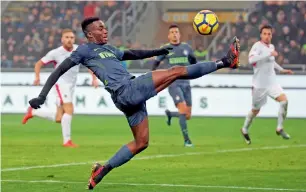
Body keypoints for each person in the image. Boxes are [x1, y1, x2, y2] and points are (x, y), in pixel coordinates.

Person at [28, 17, 240, 190]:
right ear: (90, 34)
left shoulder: (109, 48)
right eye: (101, 28)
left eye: (105, 27)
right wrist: (42, 96)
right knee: (175, 72)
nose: (105, 30)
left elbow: (131, 53)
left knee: (141, 142)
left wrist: (158, 51)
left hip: (127, 97)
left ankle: (101, 171)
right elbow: (58, 70)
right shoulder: (83, 51)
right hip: (126, 91)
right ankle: (225, 61)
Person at [22, 29, 99, 147]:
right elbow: (39, 63)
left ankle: (33, 112)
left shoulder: (78, 50)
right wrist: (37, 77)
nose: (69, 40)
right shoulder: (56, 53)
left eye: (72, 37)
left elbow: (90, 64)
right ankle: (67, 141)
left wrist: (93, 78)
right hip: (61, 84)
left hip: (71, 85)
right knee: (69, 110)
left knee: (59, 118)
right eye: (67, 37)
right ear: (62, 39)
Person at [241, 25, 293, 145]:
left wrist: (281, 70)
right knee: (255, 111)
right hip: (259, 85)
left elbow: (272, 62)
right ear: (261, 35)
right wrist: (269, 54)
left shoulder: (271, 47)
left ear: (271, 35)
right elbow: (251, 60)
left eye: (269, 34)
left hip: (272, 83)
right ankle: (244, 129)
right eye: (265, 34)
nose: (267, 36)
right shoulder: (257, 46)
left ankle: (279, 128)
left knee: (284, 101)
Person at [152, 24, 197, 147]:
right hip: (173, 83)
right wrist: (153, 77)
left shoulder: (186, 48)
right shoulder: (165, 49)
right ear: (168, 35)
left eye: (176, 32)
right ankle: (187, 140)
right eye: (172, 32)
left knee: (187, 115)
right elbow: (155, 64)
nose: (174, 34)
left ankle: (171, 114)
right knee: (182, 110)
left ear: (179, 34)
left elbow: (194, 62)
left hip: (186, 83)